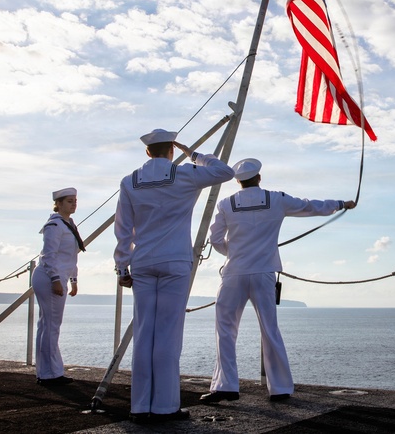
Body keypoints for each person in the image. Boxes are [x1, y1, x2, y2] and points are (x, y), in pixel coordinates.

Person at [201, 158, 355, 403]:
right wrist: (340, 204)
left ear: (238, 181)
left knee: (226, 330)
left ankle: (226, 386)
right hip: (263, 273)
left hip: (234, 273)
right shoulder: (276, 199)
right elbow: (309, 206)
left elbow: (215, 238)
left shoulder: (226, 204)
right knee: (269, 329)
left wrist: (233, 252)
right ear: (259, 178)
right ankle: (280, 388)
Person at [114, 129, 235, 422]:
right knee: (168, 335)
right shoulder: (185, 175)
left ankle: (140, 407)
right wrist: (193, 152)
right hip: (175, 262)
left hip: (142, 263)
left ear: (147, 152)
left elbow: (123, 229)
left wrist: (122, 266)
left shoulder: (130, 181)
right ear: (171, 150)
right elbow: (225, 172)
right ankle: (165, 407)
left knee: (144, 333)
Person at [32, 187, 85, 386]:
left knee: (47, 324)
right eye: (69, 201)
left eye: (75, 200)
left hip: (57, 276)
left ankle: (48, 371)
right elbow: (49, 255)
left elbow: (70, 256)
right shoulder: (55, 225)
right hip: (48, 277)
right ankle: (48, 374)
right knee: (51, 325)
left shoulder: (67, 224)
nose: (74, 204)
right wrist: (55, 279)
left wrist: (73, 280)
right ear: (59, 203)